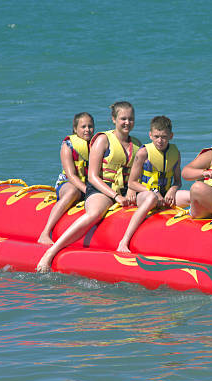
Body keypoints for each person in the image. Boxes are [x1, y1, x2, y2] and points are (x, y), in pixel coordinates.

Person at [36, 101, 141, 272]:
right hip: (102, 188)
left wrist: (130, 191)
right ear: (114, 119)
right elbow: (92, 176)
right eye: (123, 118)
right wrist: (115, 196)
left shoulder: (136, 145)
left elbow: (135, 176)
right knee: (95, 213)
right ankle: (51, 251)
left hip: (124, 191)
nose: (127, 122)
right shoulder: (102, 140)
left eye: (131, 119)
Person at [117, 116, 189, 253]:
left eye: (164, 137)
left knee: (191, 195)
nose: (160, 141)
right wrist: (154, 192)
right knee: (151, 198)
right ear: (150, 135)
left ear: (171, 136)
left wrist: (173, 190)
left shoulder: (175, 153)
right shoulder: (143, 152)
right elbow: (132, 183)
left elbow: (178, 181)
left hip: (165, 195)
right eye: (156, 136)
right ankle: (124, 241)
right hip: (144, 195)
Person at [38, 112, 95, 245]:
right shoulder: (68, 145)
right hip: (68, 183)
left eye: (90, 126)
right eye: (83, 126)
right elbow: (71, 175)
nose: (87, 130)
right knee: (72, 192)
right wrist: (87, 190)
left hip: (89, 185)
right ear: (75, 129)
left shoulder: (97, 145)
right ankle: (45, 232)